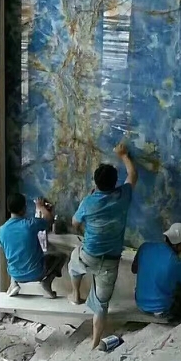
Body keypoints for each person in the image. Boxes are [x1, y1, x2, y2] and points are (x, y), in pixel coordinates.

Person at [69, 142, 138, 349]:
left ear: (95, 183)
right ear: (115, 183)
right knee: (101, 306)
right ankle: (95, 343)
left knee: (73, 263)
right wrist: (123, 155)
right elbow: (133, 175)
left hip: (88, 255)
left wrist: (85, 227)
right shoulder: (123, 196)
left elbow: (74, 223)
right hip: (110, 263)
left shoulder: (88, 202)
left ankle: (76, 294)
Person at [0, 192, 66, 298]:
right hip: (36, 273)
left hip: (15, 274)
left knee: (14, 255)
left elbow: (7, 250)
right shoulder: (29, 225)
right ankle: (46, 282)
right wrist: (40, 207)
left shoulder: (1, 230)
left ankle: (13, 283)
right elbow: (49, 219)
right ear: (23, 208)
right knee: (61, 256)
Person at [132, 222, 181, 320]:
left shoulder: (145, 247)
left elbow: (134, 270)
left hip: (140, 304)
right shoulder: (177, 262)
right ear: (180, 245)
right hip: (161, 310)